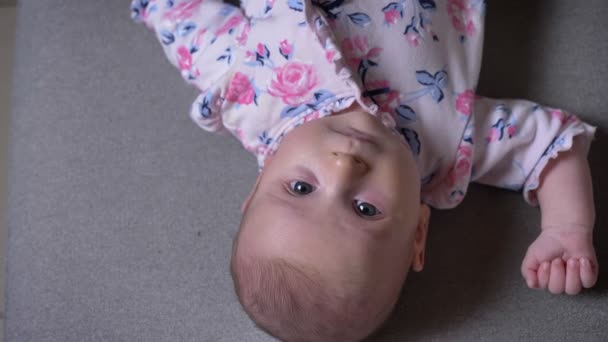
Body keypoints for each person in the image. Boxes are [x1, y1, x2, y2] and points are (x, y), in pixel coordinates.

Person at [131, 0, 598, 340]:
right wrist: (566, 227)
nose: (343, 168)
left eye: (300, 186)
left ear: (257, 187)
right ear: (417, 231)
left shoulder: (247, 90)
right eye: (364, 208)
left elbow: (177, 16)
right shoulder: (451, 146)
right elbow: (551, 143)